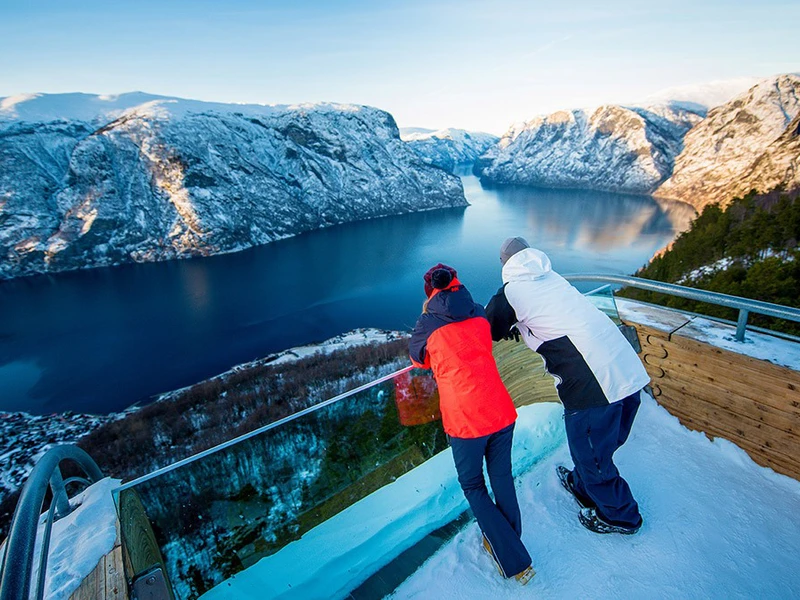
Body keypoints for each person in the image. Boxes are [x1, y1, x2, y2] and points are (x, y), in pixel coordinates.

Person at [486, 237, 650, 535]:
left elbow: (486, 328)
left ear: (504, 263)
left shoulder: (511, 292)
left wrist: (509, 324)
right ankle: (582, 486)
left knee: (592, 455)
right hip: (627, 370)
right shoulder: (552, 277)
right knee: (597, 447)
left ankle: (622, 517)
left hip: (594, 385)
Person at [409, 263, 534, 584]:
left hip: (466, 419)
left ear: (430, 292)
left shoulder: (427, 322)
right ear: (457, 284)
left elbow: (418, 360)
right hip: (500, 408)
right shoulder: (477, 311)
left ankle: (514, 559)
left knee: (473, 486)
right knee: (501, 477)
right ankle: (508, 540)